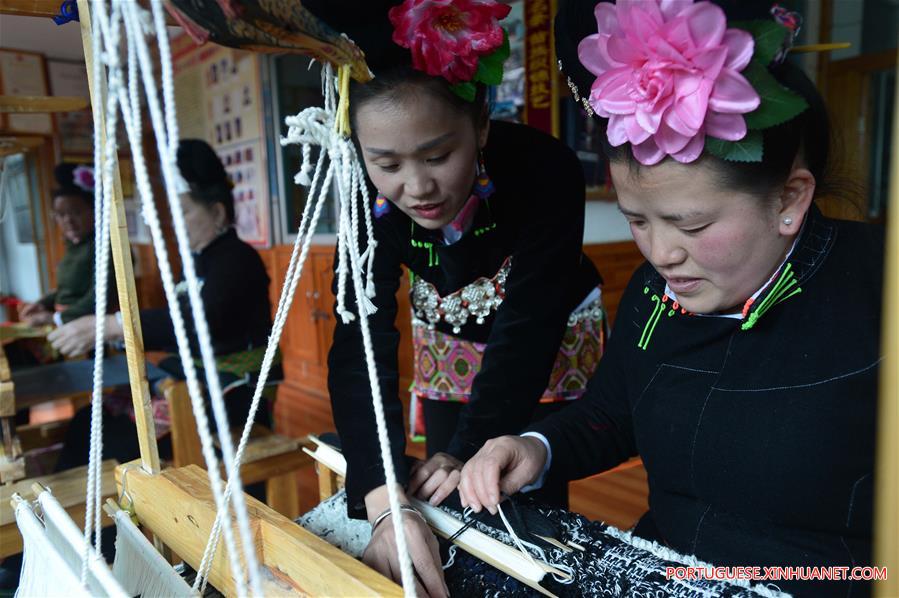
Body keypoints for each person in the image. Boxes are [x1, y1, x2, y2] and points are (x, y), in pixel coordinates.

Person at [460, 1, 882, 597]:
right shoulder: (652, 293)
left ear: (789, 199)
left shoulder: (878, 288)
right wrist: (534, 447)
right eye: (638, 221)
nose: (661, 254)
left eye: (691, 226)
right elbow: (613, 413)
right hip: (666, 574)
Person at [309, 0, 605, 594]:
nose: (417, 187)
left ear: (482, 127)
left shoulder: (545, 169)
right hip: (449, 334)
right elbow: (360, 336)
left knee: (518, 496)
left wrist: (473, 447)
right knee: (440, 484)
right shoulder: (362, 196)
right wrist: (384, 496)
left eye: (438, 156)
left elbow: (530, 323)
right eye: (386, 163)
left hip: (542, 343)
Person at [49, 139, 277, 468]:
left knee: (112, 441)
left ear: (217, 212)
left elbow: (199, 322)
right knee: (87, 422)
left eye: (183, 211)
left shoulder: (238, 259)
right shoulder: (196, 260)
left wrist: (115, 324)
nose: (174, 222)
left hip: (234, 392)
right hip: (195, 380)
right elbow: (175, 323)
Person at [18, 163, 111, 327]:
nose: (68, 220)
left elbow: (101, 296)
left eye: (76, 212)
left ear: (94, 211)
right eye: (61, 214)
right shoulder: (74, 246)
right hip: (68, 322)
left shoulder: (105, 248)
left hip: (92, 327)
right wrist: (42, 304)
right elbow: (67, 291)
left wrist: (54, 318)